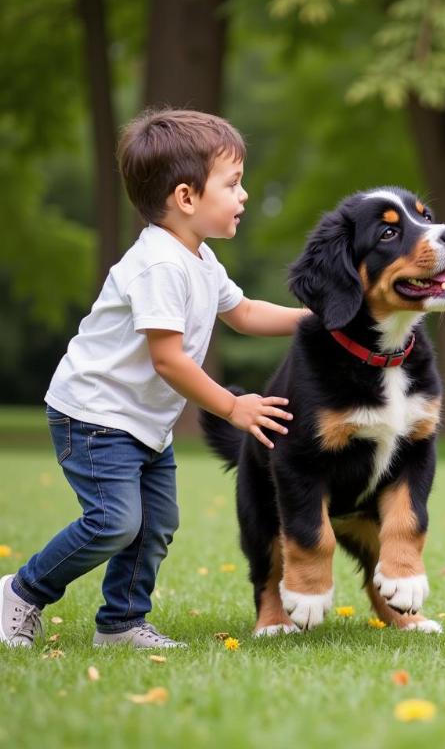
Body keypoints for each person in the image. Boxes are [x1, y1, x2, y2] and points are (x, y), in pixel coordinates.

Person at [0, 109, 306, 650]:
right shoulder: (159, 265)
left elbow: (247, 313)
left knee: (156, 522)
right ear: (186, 198)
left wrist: (322, 319)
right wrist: (232, 408)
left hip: (142, 423)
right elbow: (169, 360)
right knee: (114, 523)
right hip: (94, 416)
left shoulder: (201, 260)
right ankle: (21, 593)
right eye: (233, 184)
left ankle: (120, 625)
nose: (245, 195)